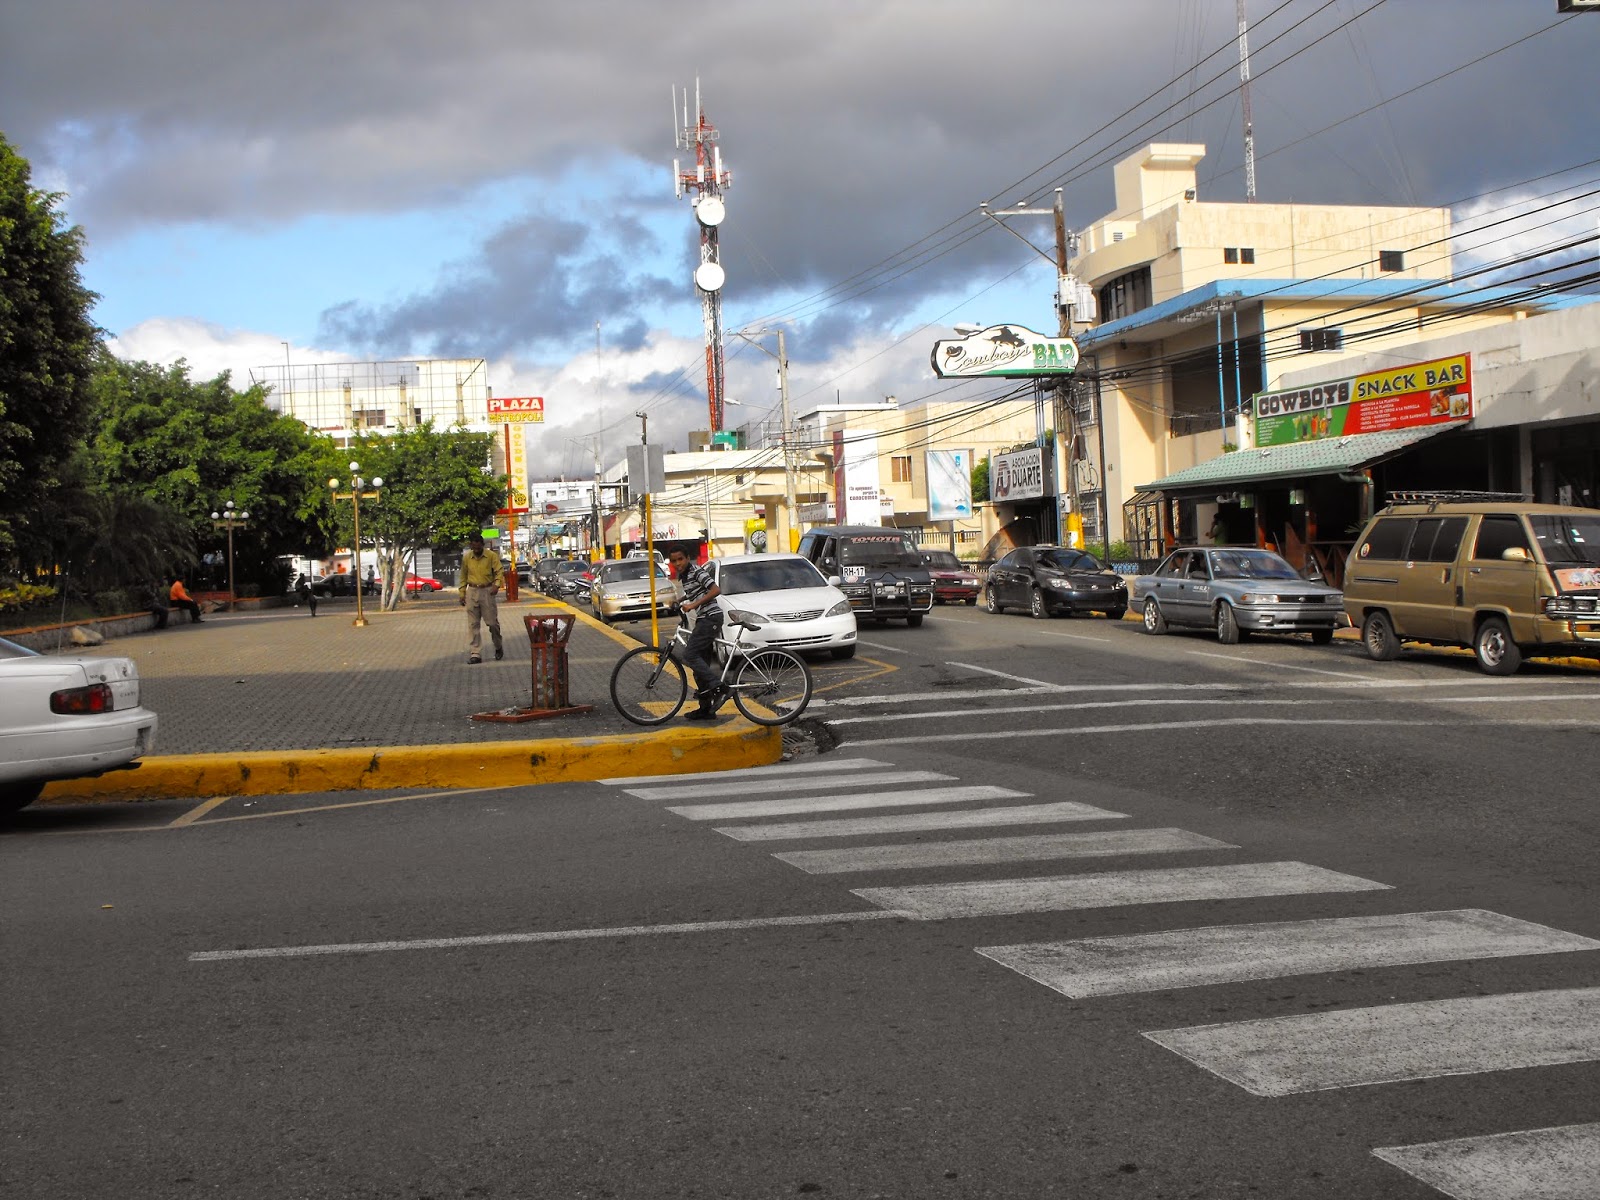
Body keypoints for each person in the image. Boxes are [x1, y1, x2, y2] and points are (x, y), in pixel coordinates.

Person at [668, 547, 723, 720]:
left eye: (680, 559)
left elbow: (715, 590)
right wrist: (680, 600)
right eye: (674, 561)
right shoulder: (686, 576)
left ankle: (718, 686)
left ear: (688, 558)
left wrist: (693, 605)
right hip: (704, 618)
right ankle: (706, 709)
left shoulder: (697, 571)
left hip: (711, 618)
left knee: (689, 656)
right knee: (700, 667)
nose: (678, 563)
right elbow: (696, 591)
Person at [458, 531, 504, 664]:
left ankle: (498, 646)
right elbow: (463, 576)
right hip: (472, 591)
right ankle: (475, 653)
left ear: (482, 545)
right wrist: (462, 593)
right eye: (474, 548)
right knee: (473, 624)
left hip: (487, 591)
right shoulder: (467, 557)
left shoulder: (491, 556)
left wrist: (496, 585)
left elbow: (499, 571)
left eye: (479, 548)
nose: (477, 550)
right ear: (471, 546)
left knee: (492, 623)